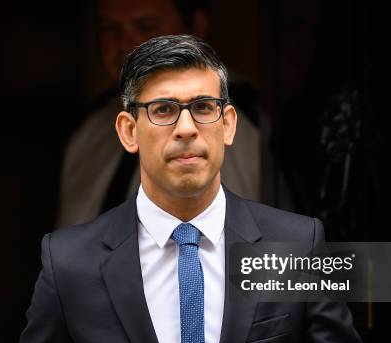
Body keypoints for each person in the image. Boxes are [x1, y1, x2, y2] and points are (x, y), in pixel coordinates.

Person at [9, 35, 378, 343]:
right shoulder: (71, 263)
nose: (186, 128)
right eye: (164, 109)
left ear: (228, 124)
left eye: (203, 107)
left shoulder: (296, 247)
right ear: (128, 130)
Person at [56, 0, 278, 228]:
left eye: (146, 26)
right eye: (109, 29)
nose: (124, 45)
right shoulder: (89, 129)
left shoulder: (251, 124)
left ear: (196, 27)